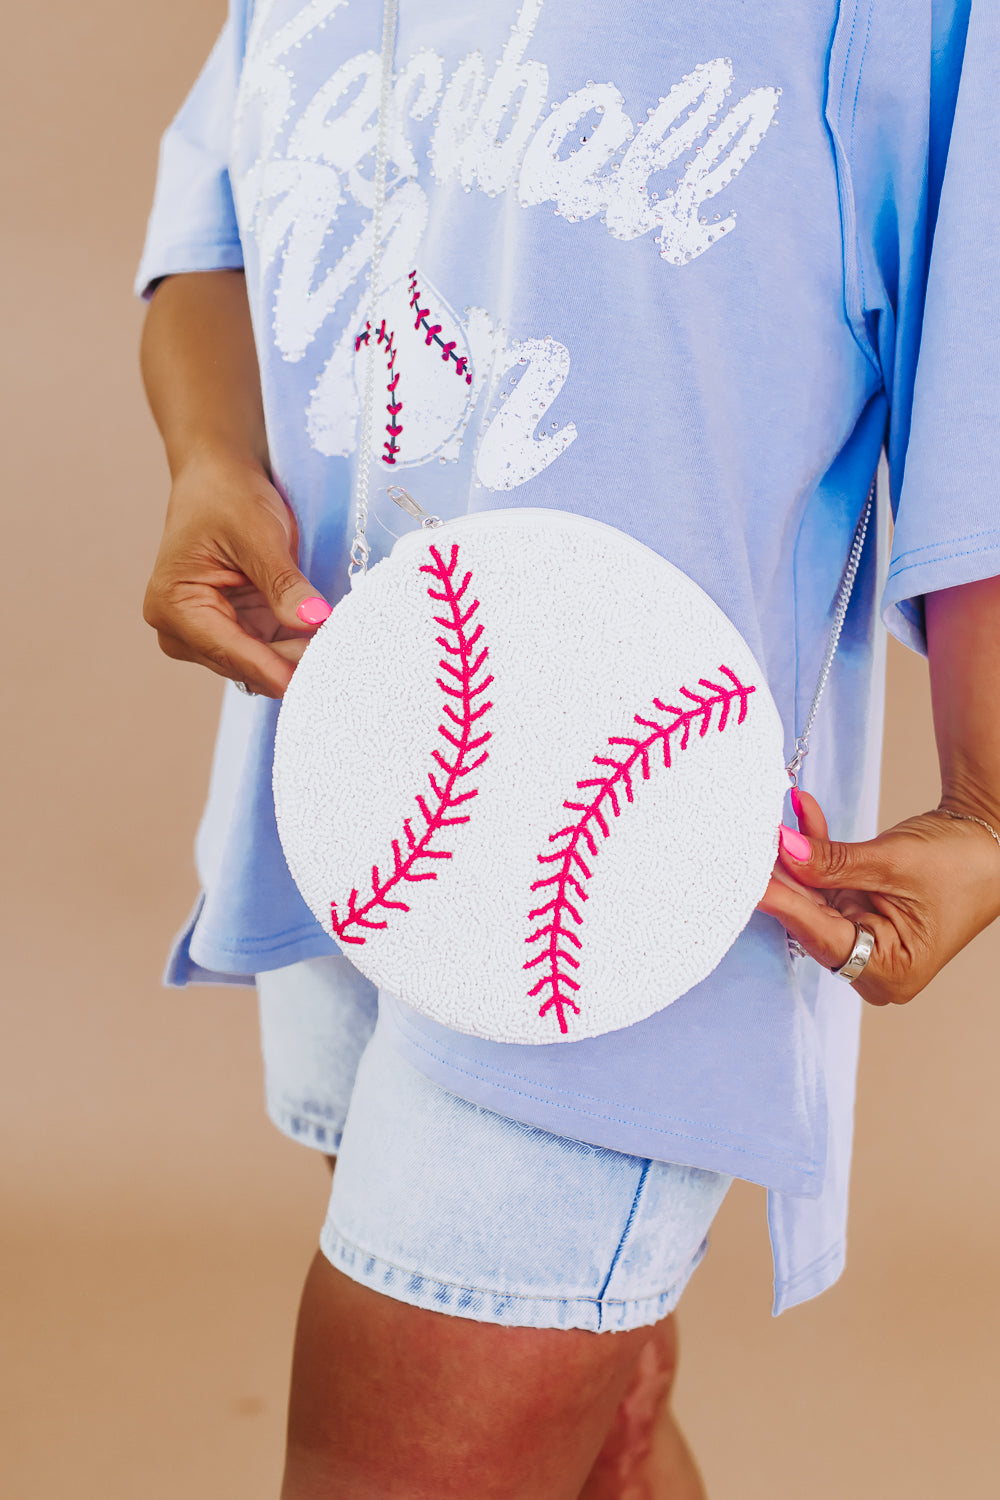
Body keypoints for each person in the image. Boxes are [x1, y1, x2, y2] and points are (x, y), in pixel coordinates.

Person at [137, 2, 1000, 1494]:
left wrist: (989, 798)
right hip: (347, 763)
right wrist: (211, 461)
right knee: (589, 1446)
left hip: (623, 894)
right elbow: (220, 203)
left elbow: (984, 356)